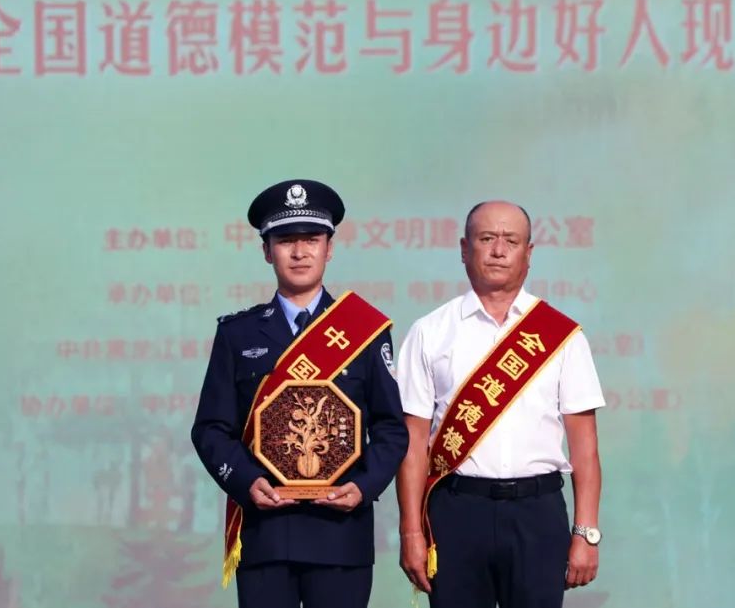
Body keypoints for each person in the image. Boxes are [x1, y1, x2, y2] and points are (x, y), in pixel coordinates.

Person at [192, 179, 408, 608]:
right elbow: (211, 429)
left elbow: (391, 428)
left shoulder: (364, 331)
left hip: (341, 535)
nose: (299, 252)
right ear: (266, 251)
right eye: (286, 241)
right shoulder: (237, 334)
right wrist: (246, 481)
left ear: (329, 249)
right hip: (266, 534)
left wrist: (363, 486)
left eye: (311, 239)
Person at [395, 200, 606, 608]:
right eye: (486, 238)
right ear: (464, 249)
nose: (498, 250)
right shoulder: (429, 332)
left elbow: (585, 448)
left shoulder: (562, 336)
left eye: (511, 240)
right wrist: (411, 531)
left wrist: (586, 532)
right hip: (456, 511)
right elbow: (413, 444)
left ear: (529, 253)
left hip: (538, 513)